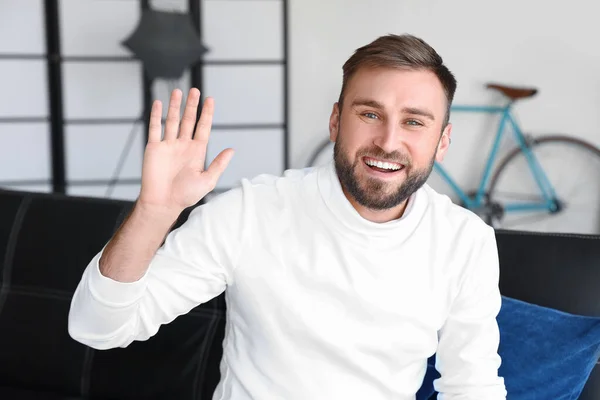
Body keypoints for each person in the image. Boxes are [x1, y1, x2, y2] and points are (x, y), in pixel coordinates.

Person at [68, 33, 507, 399]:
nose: (387, 141)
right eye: (370, 114)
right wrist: (154, 213)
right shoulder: (250, 211)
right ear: (336, 122)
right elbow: (98, 328)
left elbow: (473, 386)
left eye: (414, 122)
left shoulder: (465, 241)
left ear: (442, 141)